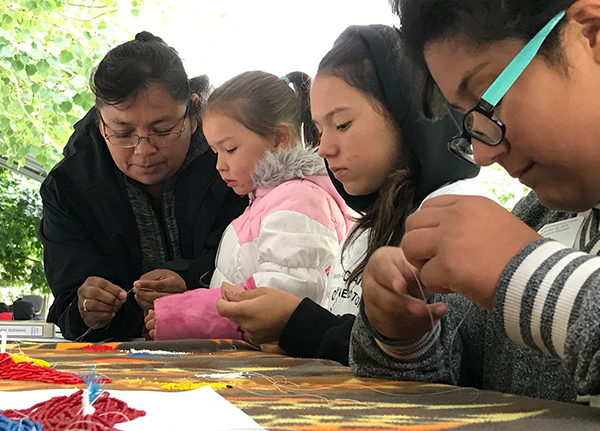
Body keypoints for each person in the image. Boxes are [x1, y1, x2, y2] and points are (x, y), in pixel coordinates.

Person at [350, 0, 600, 403]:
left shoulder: (524, 252)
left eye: (490, 100)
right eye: (467, 119)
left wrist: (524, 273)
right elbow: (450, 386)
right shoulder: (537, 220)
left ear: (590, 33)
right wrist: (404, 334)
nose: (483, 154)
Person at [214, 25, 485, 364]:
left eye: (342, 125)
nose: (324, 147)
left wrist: (298, 324)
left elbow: (440, 368)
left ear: (407, 114)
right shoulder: (366, 227)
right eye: (319, 129)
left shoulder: (453, 218)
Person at [39, 32, 247, 341]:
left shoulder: (235, 163)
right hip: (119, 363)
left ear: (192, 113)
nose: (143, 150)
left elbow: (259, 268)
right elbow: (69, 304)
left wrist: (190, 279)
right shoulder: (69, 187)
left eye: (162, 130)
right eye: (122, 134)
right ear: (100, 121)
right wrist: (87, 310)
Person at [145, 70, 355, 340]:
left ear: (279, 139)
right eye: (215, 152)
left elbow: (278, 297)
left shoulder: (299, 202)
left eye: (230, 149)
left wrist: (182, 316)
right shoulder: (265, 203)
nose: (220, 165)